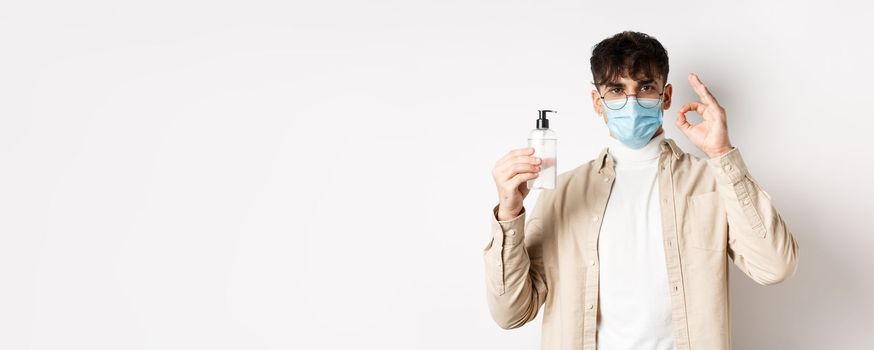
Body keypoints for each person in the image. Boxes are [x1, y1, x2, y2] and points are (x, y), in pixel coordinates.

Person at [482, 31, 799, 350]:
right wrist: (509, 214)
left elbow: (775, 266)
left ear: (666, 96)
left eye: (645, 87)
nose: (631, 103)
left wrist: (721, 154)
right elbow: (511, 313)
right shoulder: (562, 192)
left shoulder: (713, 182)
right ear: (597, 102)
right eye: (617, 90)